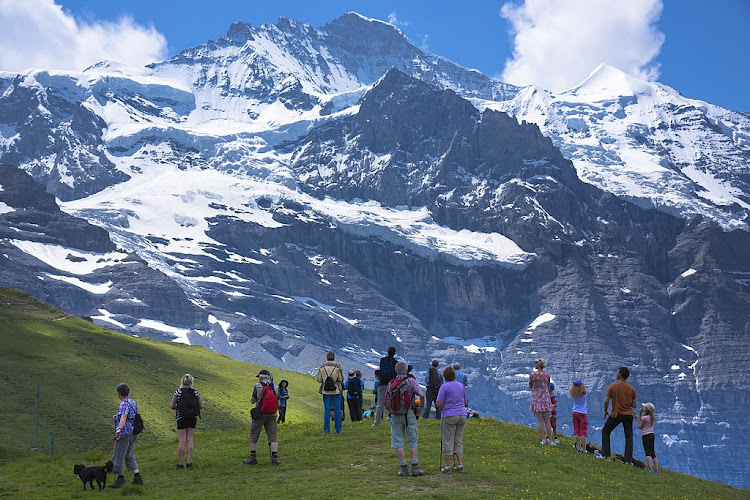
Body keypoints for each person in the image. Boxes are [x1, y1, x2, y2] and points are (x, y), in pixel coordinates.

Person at [387, 361, 425, 476]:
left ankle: (403, 469)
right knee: (412, 440)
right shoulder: (411, 381)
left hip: (395, 415)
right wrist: (420, 409)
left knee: (399, 442)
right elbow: (422, 395)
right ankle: (415, 468)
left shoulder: (391, 383)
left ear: (396, 370)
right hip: (409, 414)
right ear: (407, 370)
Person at [243, 369, 280, 465]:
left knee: (254, 434)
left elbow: (252, 401)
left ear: (261, 377)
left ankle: (252, 457)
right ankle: (275, 458)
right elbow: (278, 403)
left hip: (260, 414)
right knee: (272, 436)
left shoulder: (257, 386)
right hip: (272, 414)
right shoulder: (275, 388)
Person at [601, 366, 637, 463]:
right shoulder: (631, 389)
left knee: (606, 431)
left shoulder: (612, 386)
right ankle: (628, 460)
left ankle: (605, 455)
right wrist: (626, 401)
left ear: (620, 374)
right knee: (629, 437)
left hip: (617, 413)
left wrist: (605, 410)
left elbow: (606, 401)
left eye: (617, 373)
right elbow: (634, 405)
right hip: (629, 414)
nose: (616, 374)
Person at [110, 383, 143, 488]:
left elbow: (124, 417)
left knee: (119, 454)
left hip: (125, 432)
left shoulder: (123, 404)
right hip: (133, 431)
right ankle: (137, 476)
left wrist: (118, 429)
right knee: (129, 453)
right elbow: (130, 416)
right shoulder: (132, 402)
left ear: (120, 394)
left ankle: (120, 479)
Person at [436, 365, 468, 473]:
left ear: (444, 376)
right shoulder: (461, 386)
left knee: (448, 440)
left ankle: (447, 467)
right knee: (458, 440)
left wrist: (442, 407)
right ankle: (460, 465)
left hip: (449, 415)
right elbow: (466, 402)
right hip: (462, 415)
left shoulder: (444, 387)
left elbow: (439, 403)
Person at [170, 374, 203, 469]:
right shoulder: (195, 393)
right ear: (191, 382)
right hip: (192, 417)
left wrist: (179, 407)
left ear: (182, 382)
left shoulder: (178, 392)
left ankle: (180, 464)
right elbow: (200, 406)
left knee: (182, 440)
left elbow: (172, 406)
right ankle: (189, 462)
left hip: (181, 418)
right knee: (190, 440)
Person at [529, 358, 555, 446]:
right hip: (546, 400)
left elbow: (530, 385)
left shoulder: (533, 375)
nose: (535, 364)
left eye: (536, 363)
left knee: (540, 421)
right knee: (548, 421)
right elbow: (548, 386)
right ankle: (550, 441)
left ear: (539, 365)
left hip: (537, 400)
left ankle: (543, 440)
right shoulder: (547, 375)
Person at [316, 351, 344, 433]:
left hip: (326, 391)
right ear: (334, 358)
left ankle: (326, 429)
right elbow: (340, 379)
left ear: (327, 358)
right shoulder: (337, 368)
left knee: (327, 410)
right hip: (336, 391)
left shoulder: (322, 368)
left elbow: (319, 380)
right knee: (337, 410)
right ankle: (338, 430)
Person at [374, 347, 397, 426]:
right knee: (391, 403)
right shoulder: (395, 362)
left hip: (382, 383)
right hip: (391, 384)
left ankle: (377, 422)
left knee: (379, 404)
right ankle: (390, 422)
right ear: (394, 353)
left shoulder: (382, 360)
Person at [636, 402, 659, 473]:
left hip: (645, 435)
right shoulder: (652, 417)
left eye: (645, 407)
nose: (643, 408)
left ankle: (650, 468)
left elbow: (640, 426)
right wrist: (641, 414)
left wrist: (637, 418)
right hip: (651, 435)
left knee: (647, 452)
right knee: (652, 452)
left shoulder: (644, 418)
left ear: (647, 409)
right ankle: (656, 469)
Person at [569, 379, 588, 453]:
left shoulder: (573, 393)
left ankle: (579, 447)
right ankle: (584, 449)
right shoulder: (583, 393)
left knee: (576, 430)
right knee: (583, 432)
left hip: (575, 412)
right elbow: (584, 390)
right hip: (582, 413)